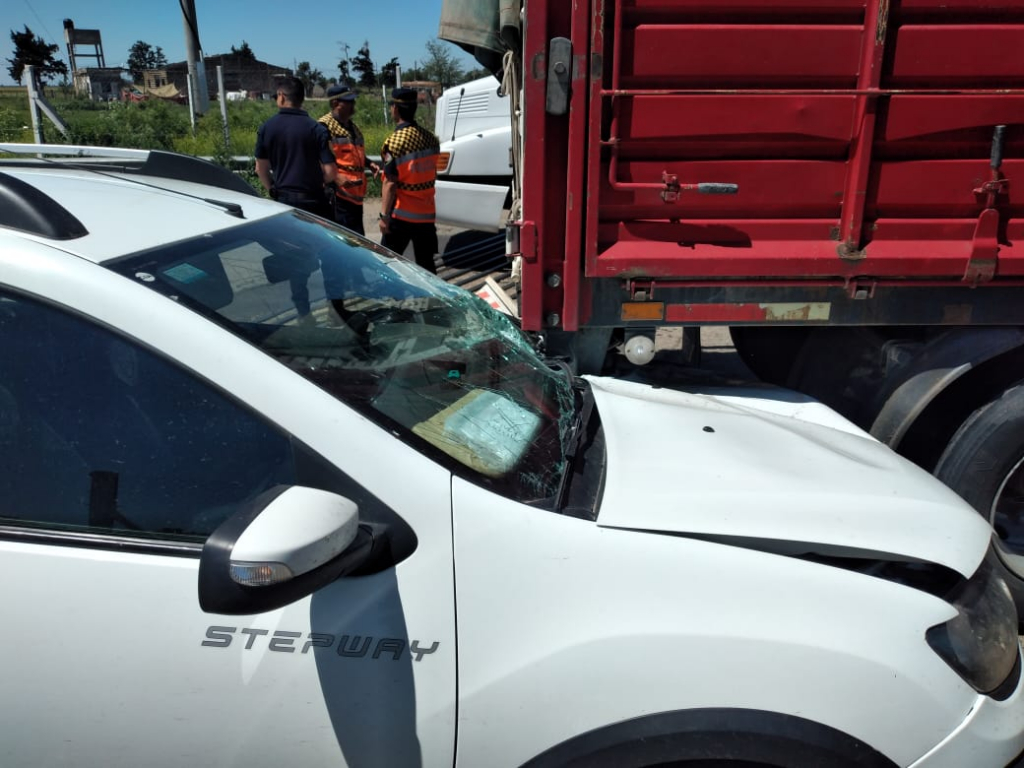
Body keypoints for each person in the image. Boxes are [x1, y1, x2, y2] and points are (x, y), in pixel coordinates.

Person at [378, 87, 441, 274]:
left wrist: (383, 217)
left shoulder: (393, 143)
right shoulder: (431, 139)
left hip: (401, 216)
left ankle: (393, 300)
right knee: (427, 265)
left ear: (395, 109)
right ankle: (432, 300)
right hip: (426, 213)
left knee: (388, 263)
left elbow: (390, 183)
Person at [254, 76, 336, 218]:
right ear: (301, 98)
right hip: (314, 201)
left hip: (284, 201)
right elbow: (331, 171)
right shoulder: (317, 129)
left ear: (281, 96)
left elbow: (260, 168)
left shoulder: (266, 128)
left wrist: (272, 189)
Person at [318, 84, 379, 235]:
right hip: (338, 195)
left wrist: (369, 163)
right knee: (343, 240)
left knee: (357, 240)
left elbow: (354, 153)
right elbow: (317, 157)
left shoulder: (352, 127)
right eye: (349, 102)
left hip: (356, 194)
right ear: (335, 103)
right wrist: (336, 177)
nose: (353, 105)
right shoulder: (324, 127)